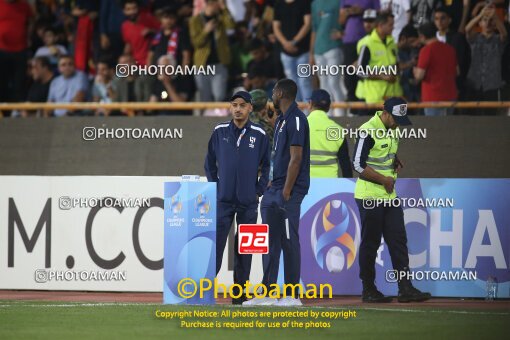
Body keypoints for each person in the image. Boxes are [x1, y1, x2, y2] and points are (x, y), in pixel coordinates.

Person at [352, 97, 431, 303]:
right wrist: (383, 179)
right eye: (395, 118)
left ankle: (405, 288)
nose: (397, 123)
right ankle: (368, 289)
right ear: (384, 112)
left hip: (389, 195)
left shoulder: (394, 128)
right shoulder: (367, 130)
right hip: (370, 195)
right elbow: (358, 165)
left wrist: (394, 160)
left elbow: (382, 153)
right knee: (371, 243)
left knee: (398, 240)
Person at [243, 79, 310, 307]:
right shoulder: (281, 119)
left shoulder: (297, 119)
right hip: (276, 187)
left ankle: (292, 295)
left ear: (281, 92)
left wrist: (287, 190)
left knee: (289, 240)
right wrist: (271, 183)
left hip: (288, 190)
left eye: (274, 91)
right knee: (270, 242)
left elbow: (296, 158)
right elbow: (277, 157)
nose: (272, 94)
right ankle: (268, 293)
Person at [204, 91, 270, 305]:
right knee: (216, 246)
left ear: (250, 108)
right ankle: (204, 290)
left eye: (242, 105)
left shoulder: (260, 134)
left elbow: (268, 165)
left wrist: (258, 190)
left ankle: (240, 294)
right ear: (230, 107)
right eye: (234, 104)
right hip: (223, 200)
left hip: (248, 202)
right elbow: (209, 163)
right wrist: (215, 187)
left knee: (245, 248)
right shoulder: (219, 131)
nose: (238, 109)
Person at [465, 3, 508, 115]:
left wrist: (495, 16)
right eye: (485, 20)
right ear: (480, 23)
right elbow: (467, 29)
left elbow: (504, 33)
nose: (488, 23)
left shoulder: (498, 40)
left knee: (491, 116)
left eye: (491, 21)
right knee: (473, 116)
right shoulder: (475, 38)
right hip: (474, 83)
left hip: (492, 84)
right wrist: (480, 15)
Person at [189, 0, 235, 102]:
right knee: (204, 98)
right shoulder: (195, 20)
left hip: (219, 63)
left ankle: (218, 117)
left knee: (220, 97)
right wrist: (206, 31)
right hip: (202, 64)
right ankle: (204, 118)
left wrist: (225, 9)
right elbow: (196, 43)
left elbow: (231, 25)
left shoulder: (221, 19)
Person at [340, 0, 380, 108]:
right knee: (349, 76)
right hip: (349, 40)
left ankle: (364, 105)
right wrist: (348, 11)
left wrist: (362, 11)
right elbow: (340, 20)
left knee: (362, 72)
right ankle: (353, 108)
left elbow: (379, 15)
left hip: (367, 39)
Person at [356, 12, 403, 104]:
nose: (393, 27)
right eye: (390, 25)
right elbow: (360, 71)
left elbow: (397, 65)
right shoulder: (367, 44)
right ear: (381, 25)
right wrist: (382, 76)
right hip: (375, 99)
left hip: (393, 97)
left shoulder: (392, 43)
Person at [414, 22, 458, 116]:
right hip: (451, 96)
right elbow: (457, 71)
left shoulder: (426, 50)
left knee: (435, 129)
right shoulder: (450, 48)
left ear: (422, 36)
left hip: (433, 98)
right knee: (449, 129)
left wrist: (414, 71)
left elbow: (419, 75)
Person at [310, 0, 345, 116]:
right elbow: (314, 29)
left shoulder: (338, 1)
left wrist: (342, 32)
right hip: (319, 49)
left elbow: (345, 19)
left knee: (334, 82)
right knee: (324, 83)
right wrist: (311, 52)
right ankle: (327, 114)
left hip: (333, 46)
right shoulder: (315, 4)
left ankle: (341, 114)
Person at [273, 0, 313, 102]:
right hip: (286, 51)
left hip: (303, 50)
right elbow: (276, 27)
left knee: (304, 81)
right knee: (291, 83)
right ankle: (296, 111)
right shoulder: (279, 4)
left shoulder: (303, 3)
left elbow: (307, 24)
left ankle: (308, 112)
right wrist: (285, 43)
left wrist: (294, 42)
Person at [307, 89, 353, 178]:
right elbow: (345, 165)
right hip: (330, 185)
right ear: (328, 107)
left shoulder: (299, 126)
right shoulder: (338, 130)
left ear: (310, 104)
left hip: (305, 184)